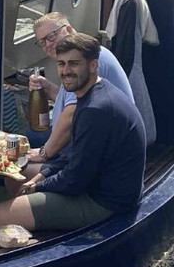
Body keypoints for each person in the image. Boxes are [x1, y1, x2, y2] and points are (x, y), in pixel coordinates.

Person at [0, 33, 146, 233]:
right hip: (95, 183)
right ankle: (34, 220)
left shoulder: (95, 110)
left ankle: (38, 231)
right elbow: (72, 157)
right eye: (61, 64)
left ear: (93, 65)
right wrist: (39, 177)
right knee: (16, 174)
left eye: (74, 64)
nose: (66, 71)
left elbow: (75, 179)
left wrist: (37, 188)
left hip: (105, 201)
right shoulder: (96, 92)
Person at [26, 12, 134, 164]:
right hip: (89, 138)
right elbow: (82, 102)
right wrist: (50, 89)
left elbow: (72, 115)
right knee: (33, 136)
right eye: (42, 42)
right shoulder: (78, 57)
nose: (48, 44)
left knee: (25, 161)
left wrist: (44, 153)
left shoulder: (91, 59)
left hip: (102, 149)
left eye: (51, 36)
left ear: (69, 30)